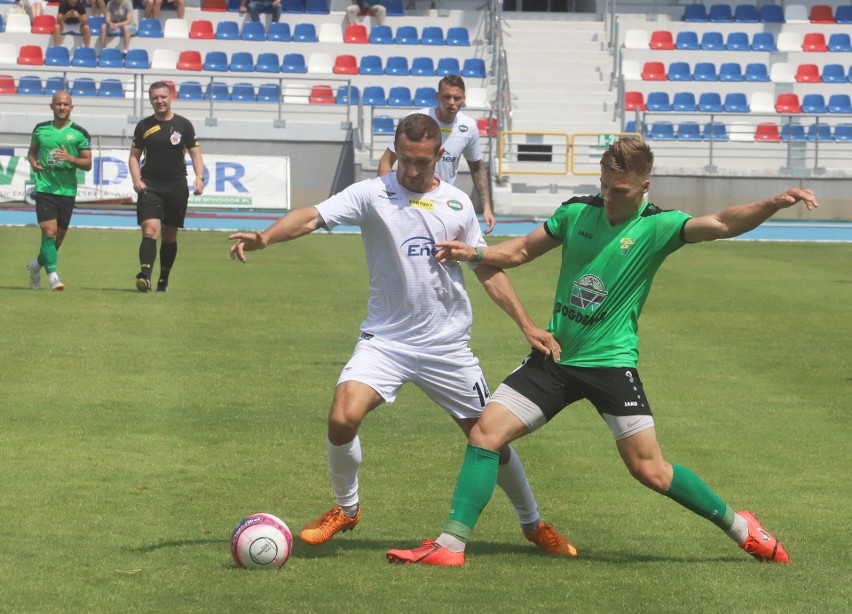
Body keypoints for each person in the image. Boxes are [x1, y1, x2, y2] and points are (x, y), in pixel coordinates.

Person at [387, 137, 818, 566]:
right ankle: (451, 546)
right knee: (485, 434)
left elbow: (724, 223)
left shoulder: (659, 225)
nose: (609, 197)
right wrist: (476, 251)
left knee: (649, 470)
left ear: (644, 187)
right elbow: (518, 251)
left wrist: (774, 203)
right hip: (556, 357)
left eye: (621, 191)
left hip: (611, 365)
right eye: (605, 186)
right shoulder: (577, 212)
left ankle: (743, 527)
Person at [228, 113, 575, 557]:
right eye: (404, 160)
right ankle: (346, 508)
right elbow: (312, 217)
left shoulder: (457, 204)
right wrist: (266, 237)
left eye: (422, 163)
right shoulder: (373, 194)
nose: (411, 171)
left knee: (490, 438)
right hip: (386, 342)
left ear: (439, 156)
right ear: (395, 150)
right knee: (342, 417)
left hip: (447, 347)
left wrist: (526, 325)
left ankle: (533, 524)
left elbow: (485, 267)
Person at [378, 75, 496, 234]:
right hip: (409, 195)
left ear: (464, 99)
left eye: (457, 97)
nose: (451, 102)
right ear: (437, 97)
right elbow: (387, 160)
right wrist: (384, 196)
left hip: (442, 200)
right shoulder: (416, 119)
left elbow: (477, 167)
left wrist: (486, 207)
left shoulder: (469, 127)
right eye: (446, 97)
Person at [128, 81, 204, 293]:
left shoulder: (184, 125)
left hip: (177, 187)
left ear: (171, 98)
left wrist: (200, 177)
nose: (159, 101)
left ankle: (163, 279)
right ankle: (145, 276)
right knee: (150, 230)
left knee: (169, 236)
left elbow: (195, 153)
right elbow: (134, 157)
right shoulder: (143, 126)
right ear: (150, 100)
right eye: (155, 98)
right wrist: (136, 178)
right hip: (150, 186)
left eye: (163, 97)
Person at [26, 92, 92, 292]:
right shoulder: (40, 129)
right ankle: (53, 276)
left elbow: (88, 164)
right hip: (45, 188)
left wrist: (70, 158)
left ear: (72, 107)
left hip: (67, 190)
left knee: (58, 239)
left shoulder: (80, 133)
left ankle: (35, 266)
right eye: (58, 104)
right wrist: (33, 162)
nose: (62, 107)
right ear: (51, 106)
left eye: (66, 104)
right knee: (49, 232)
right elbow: (32, 151)